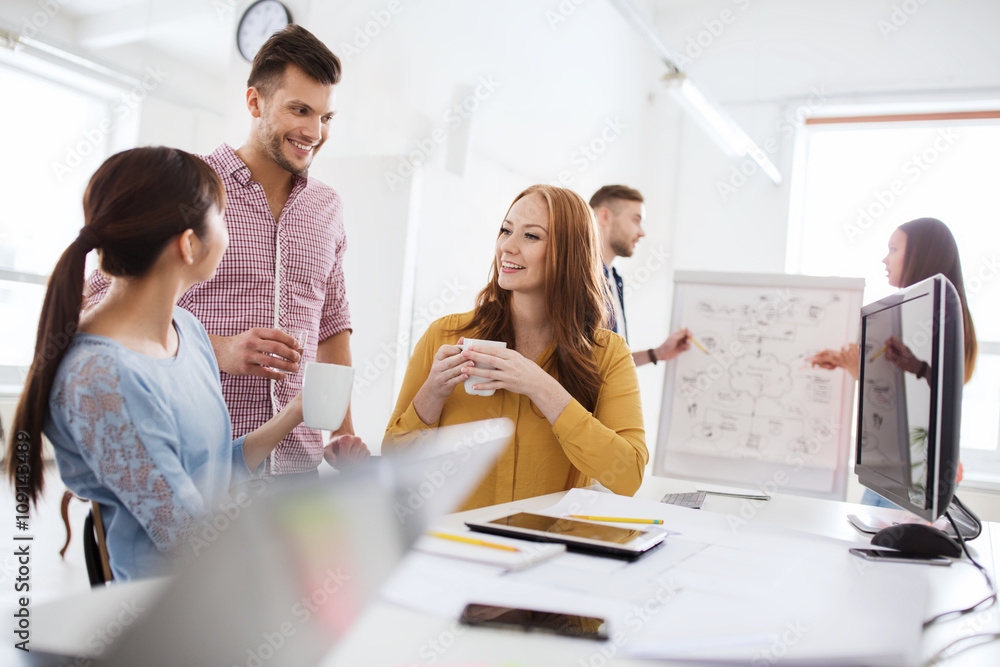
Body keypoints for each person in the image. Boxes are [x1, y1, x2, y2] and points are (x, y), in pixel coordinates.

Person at [5, 147, 305, 581]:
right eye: (221, 216)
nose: (229, 231)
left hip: (222, 593)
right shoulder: (97, 379)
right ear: (188, 244)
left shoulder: (187, 330)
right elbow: (187, 535)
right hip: (169, 617)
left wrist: (297, 413)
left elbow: (218, 473)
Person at [84, 25, 368, 478]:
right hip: (202, 463)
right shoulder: (189, 189)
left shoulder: (327, 207)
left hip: (297, 471)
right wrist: (216, 350)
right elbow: (96, 307)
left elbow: (332, 325)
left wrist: (340, 432)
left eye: (326, 117)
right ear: (255, 102)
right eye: (300, 110)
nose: (315, 131)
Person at [382, 185, 647, 510]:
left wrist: (541, 387)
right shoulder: (446, 335)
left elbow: (628, 476)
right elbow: (394, 461)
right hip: (452, 548)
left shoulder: (607, 353)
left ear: (569, 252)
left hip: (545, 551)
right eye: (506, 230)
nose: (507, 246)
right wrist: (432, 394)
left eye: (531, 236)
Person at [809, 217, 977, 506]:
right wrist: (846, 362)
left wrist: (859, 371)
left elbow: (928, 395)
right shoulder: (913, 312)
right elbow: (916, 378)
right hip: (897, 467)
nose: (885, 259)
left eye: (893, 249)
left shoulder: (937, 317)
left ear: (921, 255)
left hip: (917, 472)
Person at [588, 185, 691, 367]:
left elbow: (608, 365)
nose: (642, 232)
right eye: (635, 220)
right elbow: (583, 367)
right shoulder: (582, 280)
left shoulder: (614, 280)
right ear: (605, 216)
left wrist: (656, 354)